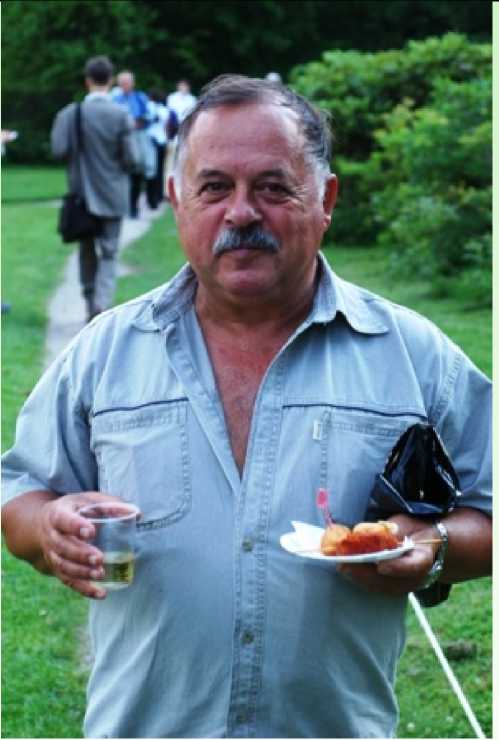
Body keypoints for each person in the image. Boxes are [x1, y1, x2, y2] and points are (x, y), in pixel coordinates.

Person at [2, 75, 491, 739]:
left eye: (272, 187)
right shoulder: (105, 353)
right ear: (177, 200)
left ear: (325, 200)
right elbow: (21, 497)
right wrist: (47, 527)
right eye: (214, 187)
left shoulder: (412, 355)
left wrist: (432, 547)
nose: (241, 213)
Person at [50, 56, 139, 322]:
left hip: (82, 196)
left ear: (87, 81)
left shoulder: (70, 113)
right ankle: (103, 304)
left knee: (86, 249)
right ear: (110, 80)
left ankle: (90, 301)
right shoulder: (121, 115)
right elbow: (133, 159)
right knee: (110, 252)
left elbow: (58, 150)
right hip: (113, 194)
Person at [113, 70, 155, 217]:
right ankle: (121, 205)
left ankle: (133, 207)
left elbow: (149, 116)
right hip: (121, 139)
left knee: (137, 173)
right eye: (122, 83)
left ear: (132, 83)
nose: (125, 85)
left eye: (127, 82)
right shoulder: (115, 99)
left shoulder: (140, 97)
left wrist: (139, 121)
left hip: (137, 138)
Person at [146, 89, 178, 208]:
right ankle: (159, 195)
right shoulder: (166, 110)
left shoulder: (150, 107)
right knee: (161, 169)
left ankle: (152, 198)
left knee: (153, 170)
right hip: (163, 141)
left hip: (152, 141)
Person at [165, 79, 196, 181]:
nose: (183, 88)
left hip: (186, 129)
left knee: (184, 155)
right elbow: (170, 115)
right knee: (171, 156)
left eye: (185, 86)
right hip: (173, 131)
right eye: (181, 86)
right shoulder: (172, 98)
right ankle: (169, 179)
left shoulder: (192, 99)